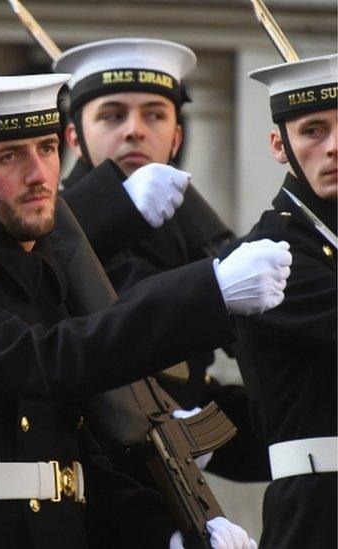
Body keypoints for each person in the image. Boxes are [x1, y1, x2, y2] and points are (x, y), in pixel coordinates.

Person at [0, 73, 287, 548]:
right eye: (9, 156)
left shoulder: (45, 279)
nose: (38, 174)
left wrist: (172, 533)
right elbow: (44, 362)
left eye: (46, 149)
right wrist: (205, 291)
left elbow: (83, 468)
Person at [53, 38, 266, 480]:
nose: (134, 130)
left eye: (154, 114)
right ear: (73, 136)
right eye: (112, 115)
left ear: (177, 136)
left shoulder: (191, 229)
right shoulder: (50, 227)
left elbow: (196, 383)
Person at [233, 52, 337, 548]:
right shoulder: (272, 253)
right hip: (321, 510)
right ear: (280, 145)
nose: (334, 147)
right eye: (314, 130)